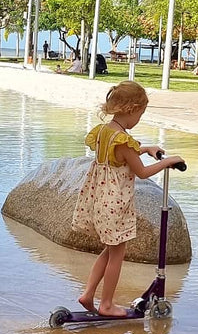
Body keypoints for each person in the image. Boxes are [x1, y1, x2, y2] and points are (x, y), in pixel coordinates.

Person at [73, 82, 185, 317]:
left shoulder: (105, 132)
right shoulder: (123, 141)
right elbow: (142, 172)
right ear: (131, 109)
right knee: (117, 254)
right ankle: (106, 304)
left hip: (100, 200)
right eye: (140, 114)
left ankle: (88, 294)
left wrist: (146, 149)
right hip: (116, 204)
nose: (139, 119)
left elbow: (122, 155)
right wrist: (168, 160)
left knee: (109, 250)